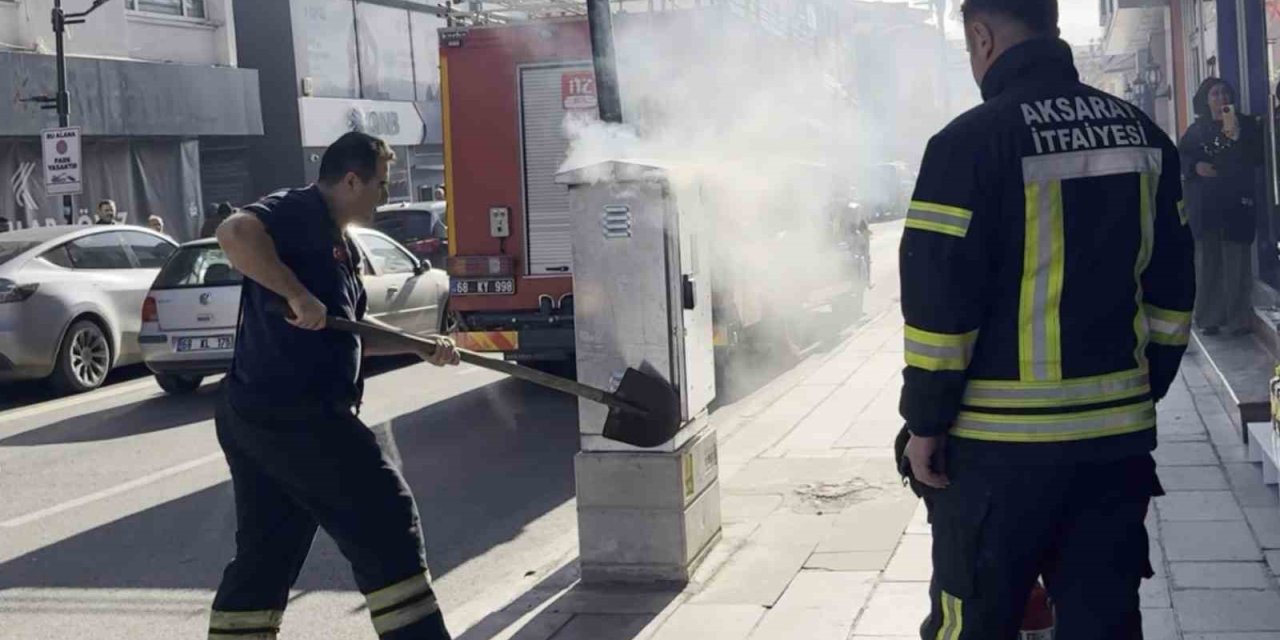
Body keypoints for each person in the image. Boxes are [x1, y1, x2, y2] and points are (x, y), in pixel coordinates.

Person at [896, 0, 1194, 637]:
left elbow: (938, 312)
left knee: (973, 620)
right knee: (1104, 621)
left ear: (981, 36)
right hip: (1114, 448)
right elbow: (1172, 296)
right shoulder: (1143, 135)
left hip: (997, 458)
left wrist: (924, 423)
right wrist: (1142, 387)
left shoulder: (966, 144)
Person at [209, 132, 460, 640]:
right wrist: (297, 294)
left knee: (267, 554)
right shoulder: (299, 211)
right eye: (381, 186)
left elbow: (346, 336)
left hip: (260, 414)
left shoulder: (339, 246)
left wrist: (416, 345)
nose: (384, 199)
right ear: (351, 180)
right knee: (387, 516)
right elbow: (234, 233)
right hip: (294, 415)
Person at [1179, 78, 1264, 336]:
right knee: (1208, 264)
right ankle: (1209, 318)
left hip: (1237, 203)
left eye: (1225, 93)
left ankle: (1239, 318)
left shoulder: (1246, 125)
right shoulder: (1196, 131)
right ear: (1206, 100)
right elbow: (1180, 159)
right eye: (1215, 94)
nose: (1221, 98)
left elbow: (1259, 157)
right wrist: (1195, 168)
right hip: (1207, 207)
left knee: (1237, 262)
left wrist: (1238, 135)